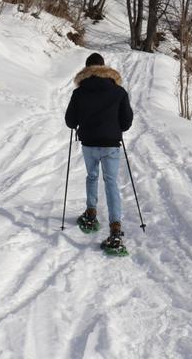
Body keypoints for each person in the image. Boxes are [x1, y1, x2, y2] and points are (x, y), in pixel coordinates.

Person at [65, 52, 133, 251]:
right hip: (111, 143)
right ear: (103, 68)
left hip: (89, 143)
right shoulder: (119, 91)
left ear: (87, 70)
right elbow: (127, 122)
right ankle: (115, 230)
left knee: (92, 176)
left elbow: (70, 121)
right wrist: (115, 126)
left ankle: (91, 214)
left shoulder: (79, 93)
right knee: (111, 182)